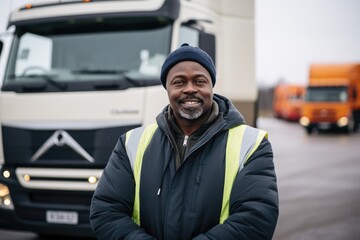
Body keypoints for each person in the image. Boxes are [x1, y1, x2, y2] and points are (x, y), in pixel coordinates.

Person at [90, 43, 279, 239]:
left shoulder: (252, 144)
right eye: (179, 82)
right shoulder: (131, 143)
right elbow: (106, 211)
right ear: (167, 89)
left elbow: (256, 219)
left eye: (199, 81)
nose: (190, 89)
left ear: (211, 86)